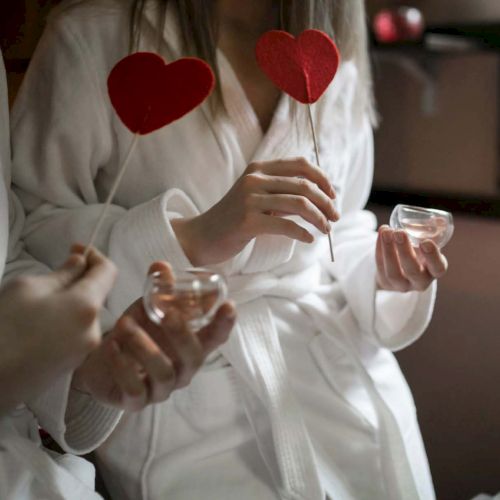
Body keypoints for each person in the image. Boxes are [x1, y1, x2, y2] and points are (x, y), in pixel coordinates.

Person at [9, 0, 448, 499]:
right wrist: (192, 237)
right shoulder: (92, 38)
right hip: (188, 390)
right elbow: (31, 231)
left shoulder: (331, 50)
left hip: (349, 382)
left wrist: (384, 274)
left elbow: (343, 226)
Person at [0, 49, 236, 498]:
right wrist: (187, 237)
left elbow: (6, 249)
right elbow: (37, 216)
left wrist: (86, 366)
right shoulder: (90, 36)